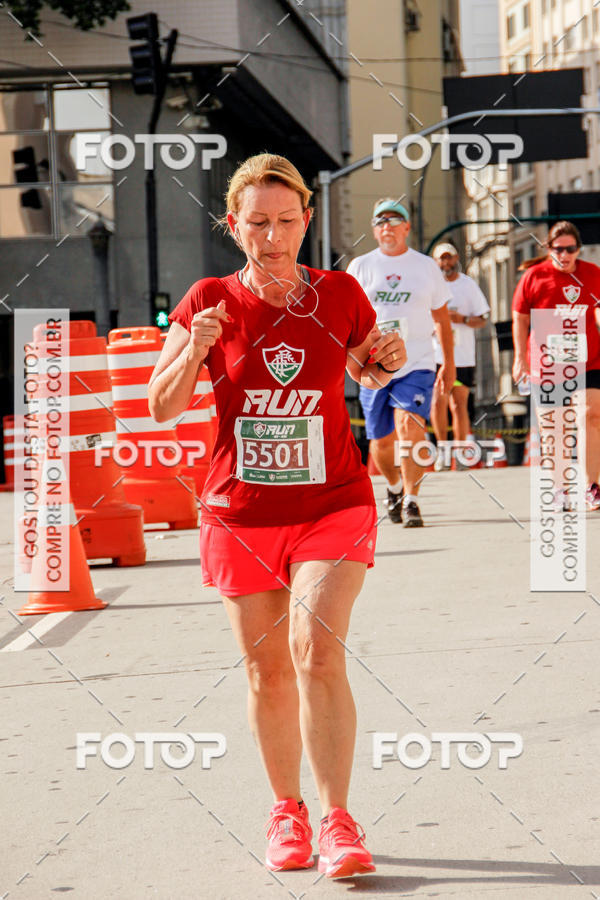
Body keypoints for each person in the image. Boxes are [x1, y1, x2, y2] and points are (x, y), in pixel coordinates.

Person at [148, 154, 406, 878]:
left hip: (333, 502)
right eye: (257, 223)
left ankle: (338, 820)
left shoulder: (339, 293)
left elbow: (368, 366)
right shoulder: (208, 300)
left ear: (306, 221)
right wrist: (194, 351)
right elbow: (160, 406)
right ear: (233, 226)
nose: (273, 236)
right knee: (267, 671)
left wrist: (387, 356)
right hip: (242, 511)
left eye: (286, 221)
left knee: (316, 649)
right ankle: (285, 810)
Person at [346, 198, 456, 527]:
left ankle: (412, 500)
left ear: (407, 227)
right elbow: (346, 319)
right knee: (380, 441)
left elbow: (442, 320)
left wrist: (448, 363)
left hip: (417, 361)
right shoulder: (360, 267)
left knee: (410, 426)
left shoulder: (425, 266)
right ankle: (393, 487)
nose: (388, 227)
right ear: (373, 230)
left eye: (395, 221)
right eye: (381, 221)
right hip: (373, 366)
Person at [512, 220, 600, 509]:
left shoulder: (592, 274)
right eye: (558, 249)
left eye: (570, 249)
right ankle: (561, 489)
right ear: (548, 248)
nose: (564, 255)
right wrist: (520, 358)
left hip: (588, 361)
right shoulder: (534, 277)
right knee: (556, 428)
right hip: (547, 365)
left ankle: (591, 486)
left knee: (591, 415)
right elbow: (520, 319)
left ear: (579, 249)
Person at [430, 243, 489, 470]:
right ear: (435, 262)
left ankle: (461, 452)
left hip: (462, 356)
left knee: (458, 404)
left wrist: (461, 319)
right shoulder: (430, 285)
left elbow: (482, 319)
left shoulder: (467, 284)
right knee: (438, 401)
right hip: (436, 354)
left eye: (449, 258)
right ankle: (443, 450)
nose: (446, 263)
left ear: (456, 259)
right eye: (441, 259)